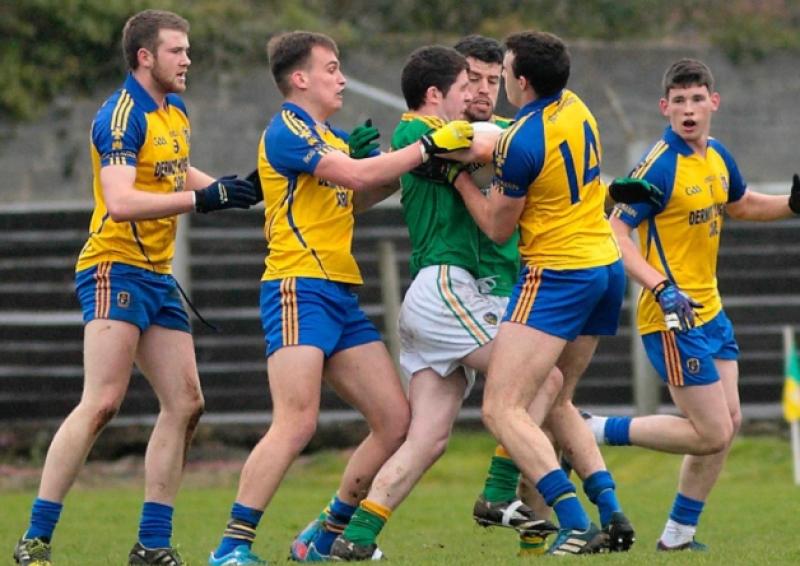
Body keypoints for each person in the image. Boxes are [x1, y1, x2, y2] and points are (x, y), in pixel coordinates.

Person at [206, 31, 474, 566]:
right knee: (296, 422)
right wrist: (421, 148)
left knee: (395, 422)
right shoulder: (287, 129)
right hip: (296, 287)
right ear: (300, 78)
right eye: (331, 68)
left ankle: (322, 536)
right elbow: (353, 173)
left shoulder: (328, 134)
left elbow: (356, 194)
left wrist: (400, 167)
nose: (342, 77)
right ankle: (231, 548)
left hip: (339, 293)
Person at [12, 9, 261, 566]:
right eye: (177, 50)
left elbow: (177, 173)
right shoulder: (121, 116)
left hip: (155, 274)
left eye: (188, 49)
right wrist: (202, 200)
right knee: (102, 402)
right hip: (113, 266)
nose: (188, 59)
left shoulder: (175, 111)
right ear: (145, 57)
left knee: (187, 402)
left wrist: (230, 188)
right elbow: (122, 202)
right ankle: (35, 538)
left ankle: (151, 544)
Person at [316, 42, 559, 562]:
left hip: (444, 299)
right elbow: (495, 143)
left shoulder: (439, 137)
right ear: (438, 93)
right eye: (467, 82)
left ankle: (354, 538)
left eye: (490, 80)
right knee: (544, 378)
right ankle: (499, 493)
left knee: (427, 439)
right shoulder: (420, 131)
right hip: (448, 289)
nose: (477, 91)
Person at [588, 58, 800, 551]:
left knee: (729, 425)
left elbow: (740, 203)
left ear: (713, 103)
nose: (688, 109)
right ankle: (595, 429)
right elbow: (616, 232)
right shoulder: (659, 165)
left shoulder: (716, 155)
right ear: (665, 108)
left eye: (697, 99)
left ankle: (678, 536)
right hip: (670, 315)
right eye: (678, 101)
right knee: (710, 432)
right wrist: (660, 287)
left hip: (709, 310)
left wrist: (791, 203)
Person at [454, 30, 633, 555]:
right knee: (558, 398)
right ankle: (613, 512)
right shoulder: (577, 107)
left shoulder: (520, 143)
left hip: (558, 275)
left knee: (501, 409)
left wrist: (458, 178)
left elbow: (497, 227)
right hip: (604, 267)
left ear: (522, 81)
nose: (500, 78)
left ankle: (574, 522)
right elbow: (515, 138)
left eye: (503, 70)